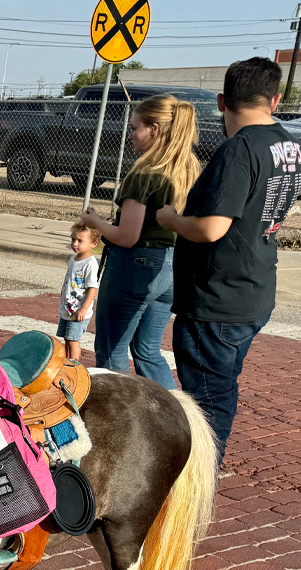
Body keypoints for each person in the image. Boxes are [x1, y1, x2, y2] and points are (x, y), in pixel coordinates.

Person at [157, 57, 301, 462]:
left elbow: (211, 229)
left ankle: (201, 476)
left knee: (208, 401)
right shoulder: (293, 148)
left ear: (223, 101)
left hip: (216, 300)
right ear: (275, 100)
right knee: (221, 387)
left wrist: (173, 218)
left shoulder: (239, 150)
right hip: (254, 289)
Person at [81, 95, 200, 390]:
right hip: (172, 267)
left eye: (135, 128)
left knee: (112, 351)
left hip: (135, 265)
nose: (130, 135)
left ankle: (122, 420)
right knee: (147, 352)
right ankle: (179, 417)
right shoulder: (189, 168)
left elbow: (127, 235)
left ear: (155, 129)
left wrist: (96, 223)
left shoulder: (144, 174)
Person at [56, 222, 101, 362]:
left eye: (80, 241)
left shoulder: (91, 264)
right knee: (67, 338)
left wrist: (84, 308)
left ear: (94, 244)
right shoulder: (73, 259)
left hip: (79, 311)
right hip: (68, 308)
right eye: (73, 239)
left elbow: (93, 288)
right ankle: (68, 361)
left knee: (73, 339)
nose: (75, 243)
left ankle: (74, 365)